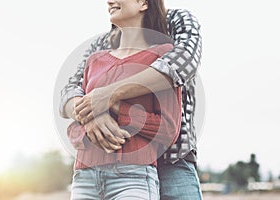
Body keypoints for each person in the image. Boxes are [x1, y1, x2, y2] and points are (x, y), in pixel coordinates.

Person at [60, 0, 203, 199]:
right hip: (101, 166)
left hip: (172, 159)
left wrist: (109, 97)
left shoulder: (177, 22)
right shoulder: (101, 47)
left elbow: (180, 64)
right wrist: (92, 115)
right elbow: (70, 90)